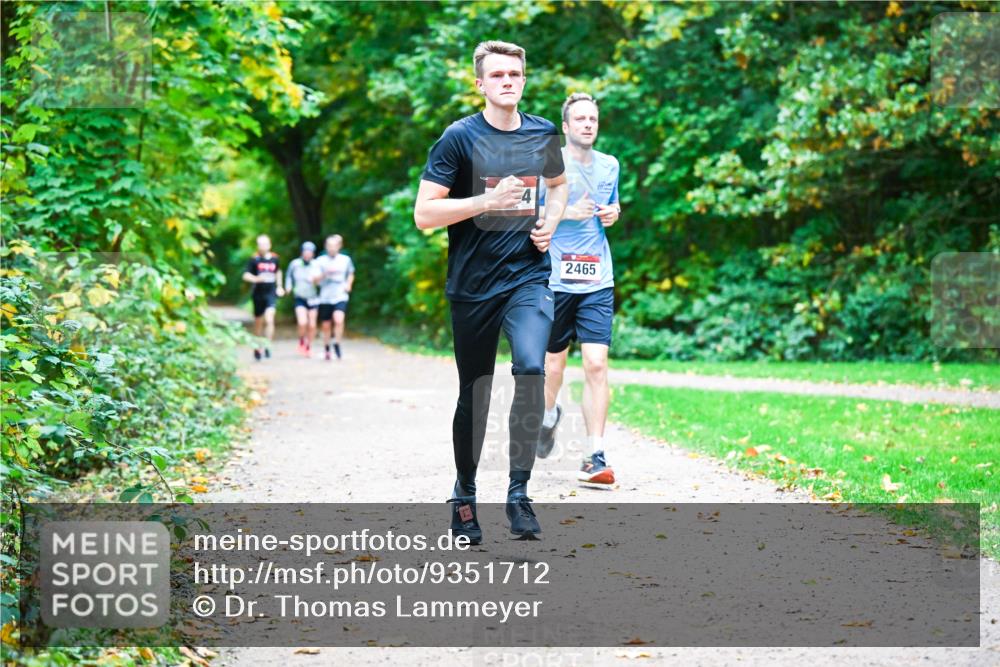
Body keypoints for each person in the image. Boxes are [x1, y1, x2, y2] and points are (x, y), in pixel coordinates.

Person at [413, 40, 569, 541]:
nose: (508, 81)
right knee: (474, 392)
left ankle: (519, 494)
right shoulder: (458, 139)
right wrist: (485, 199)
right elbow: (424, 215)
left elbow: (559, 184)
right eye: (498, 74)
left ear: (524, 80)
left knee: (529, 369)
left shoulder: (544, 132)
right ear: (480, 83)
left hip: (528, 275)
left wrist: (551, 219)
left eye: (516, 74)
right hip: (474, 286)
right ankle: (464, 493)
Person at [536, 93, 621, 485]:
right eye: (580, 119)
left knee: (596, 364)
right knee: (554, 366)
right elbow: (529, 211)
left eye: (593, 119)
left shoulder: (610, 165)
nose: (588, 124)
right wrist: (566, 212)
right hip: (555, 278)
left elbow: (611, 207)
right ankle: (548, 416)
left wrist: (613, 213)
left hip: (597, 279)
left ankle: (594, 454)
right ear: (566, 127)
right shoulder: (548, 162)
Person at [312, 234, 355, 361]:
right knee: (326, 325)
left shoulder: (345, 260)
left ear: (339, 246)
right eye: (329, 246)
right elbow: (314, 280)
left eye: (334, 246)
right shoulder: (320, 261)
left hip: (340, 295)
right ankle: (326, 347)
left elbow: (351, 273)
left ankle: (337, 343)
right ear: (326, 247)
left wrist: (348, 284)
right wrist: (324, 274)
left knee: (339, 319)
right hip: (325, 296)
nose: (332, 248)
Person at [242, 234, 284, 361]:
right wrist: (256, 279)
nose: (263, 246)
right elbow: (245, 275)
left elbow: (278, 272)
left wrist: (279, 286)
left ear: (269, 245)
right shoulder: (254, 259)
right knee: (258, 323)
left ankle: (267, 345)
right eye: (260, 244)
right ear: (258, 246)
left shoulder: (275, 258)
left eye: (265, 244)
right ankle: (257, 346)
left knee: (270, 318)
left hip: (270, 293)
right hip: (258, 294)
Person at [286, 241, 320, 356]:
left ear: (313, 253)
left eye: (310, 252)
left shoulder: (317, 264)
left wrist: (316, 280)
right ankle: (301, 340)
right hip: (300, 297)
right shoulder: (295, 264)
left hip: (313, 297)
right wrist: (288, 287)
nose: (307, 254)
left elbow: (321, 280)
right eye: (305, 251)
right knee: (302, 322)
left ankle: (308, 346)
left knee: (312, 324)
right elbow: (288, 277)